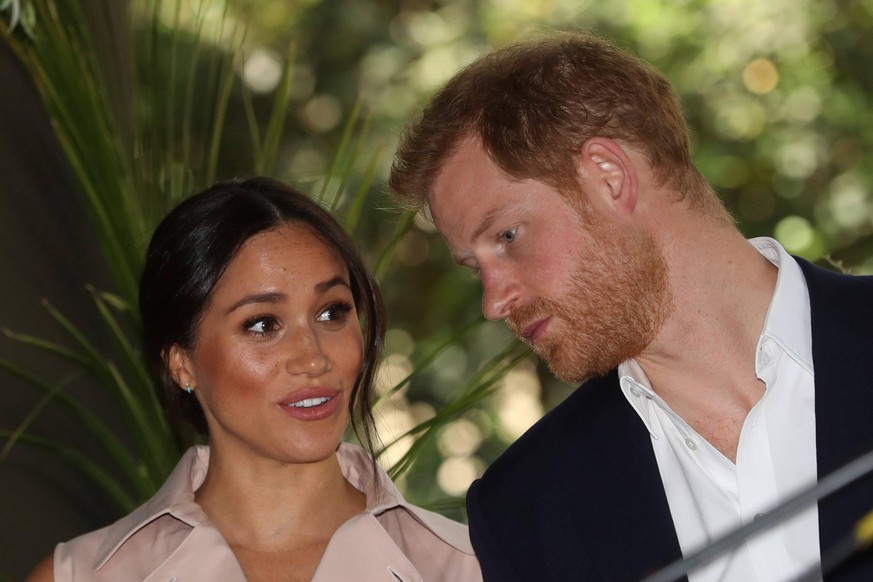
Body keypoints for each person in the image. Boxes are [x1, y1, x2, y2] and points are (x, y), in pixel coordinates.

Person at [388, 30, 873, 581]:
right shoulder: (525, 511)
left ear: (609, 176)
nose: (494, 302)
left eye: (507, 236)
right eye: (476, 268)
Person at [26, 177, 481, 581]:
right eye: (263, 324)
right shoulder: (79, 577)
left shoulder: (465, 567)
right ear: (181, 363)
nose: (314, 358)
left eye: (332, 312)